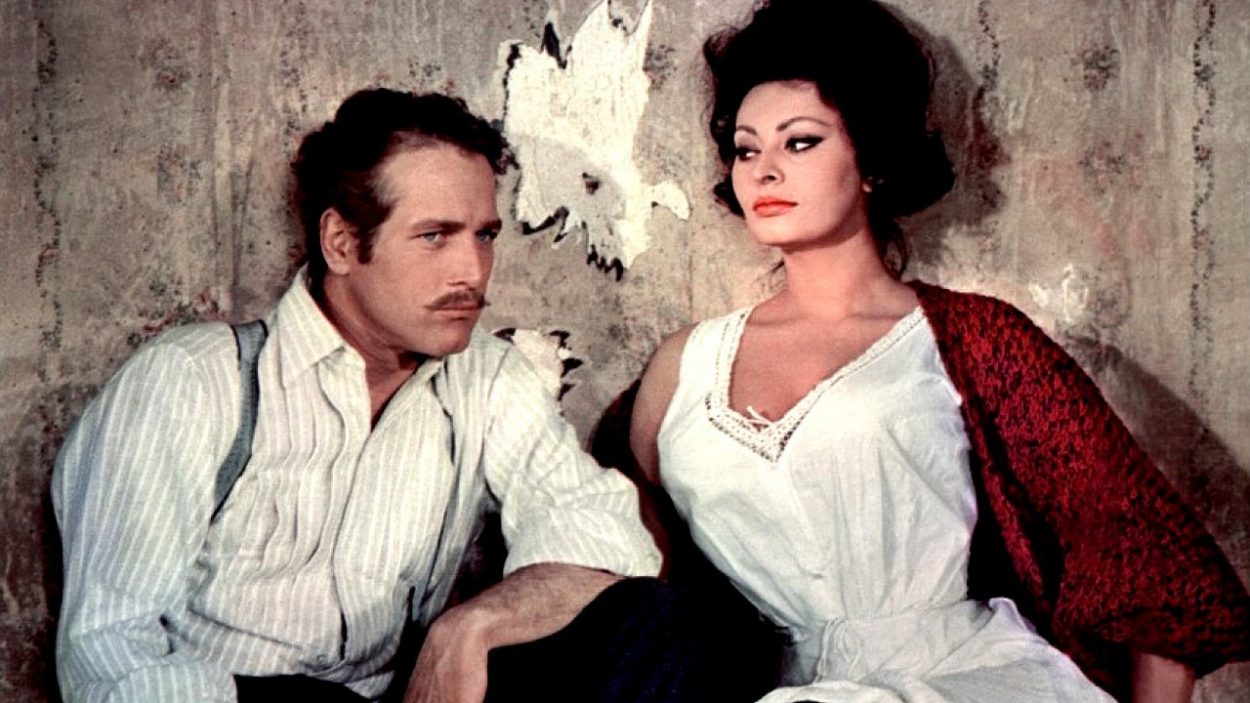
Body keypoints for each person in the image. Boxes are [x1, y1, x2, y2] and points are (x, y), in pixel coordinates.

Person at [628, 1, 1250, 702]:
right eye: (746, 149)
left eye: (800, 142)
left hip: (966, 679)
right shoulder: (682, 368)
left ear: (871, 162)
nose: (764, 171)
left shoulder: (974, 339)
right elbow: (625, 573)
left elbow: (1152, 562)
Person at [53, 88, 700, 703]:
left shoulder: (485, 376)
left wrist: (471, 626)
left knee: (650, 619)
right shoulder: (192, 380)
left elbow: (608, 535)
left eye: (484, 235)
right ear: (341, 243)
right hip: (232, 697)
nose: (472, 271)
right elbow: (109, 653)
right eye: (434, 236)